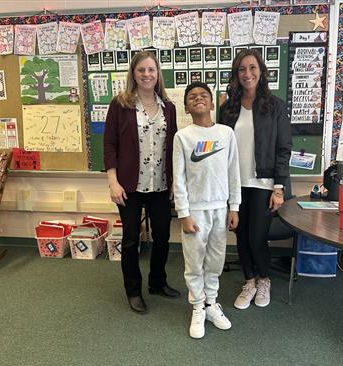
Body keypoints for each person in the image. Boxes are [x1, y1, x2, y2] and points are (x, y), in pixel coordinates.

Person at [104, 51, 180, 315]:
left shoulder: (168, 107)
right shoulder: (120, 104)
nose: (147, 75)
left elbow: (174, 147)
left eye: (151, 70)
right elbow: (110, 145)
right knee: (129, 240)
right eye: (141, 70)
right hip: (129, 186)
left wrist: (174, 181)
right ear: (133, 74)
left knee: (162, 237)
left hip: (160, 184)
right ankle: (133, 291)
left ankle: (157, 282)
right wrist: (113, 182)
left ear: (158, 74)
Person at [219, 49, 291, 310]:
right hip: (235, 183)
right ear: (236, 75)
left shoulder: (275, 106)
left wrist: (279, 188)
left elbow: (284, 147)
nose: (247, 74)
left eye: (252, 68)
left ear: (261, 72)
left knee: (256, 236)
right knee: (240, 235)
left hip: (263, 183)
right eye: (241, 69)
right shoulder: (227, 109)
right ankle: (249, 281)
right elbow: (220, 148)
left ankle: (264, 279)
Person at [173, 82, 241, 338]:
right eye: (192, 97)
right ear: (187, 106)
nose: (198, 99)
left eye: (203, 95)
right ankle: (197, 306)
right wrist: (184, 213)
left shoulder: (226, 134)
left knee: (215, 261)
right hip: (195, 211)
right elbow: (178, 179)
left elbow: (234, 173)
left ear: (213, 103)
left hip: (220, 210)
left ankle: (211, 303)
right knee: (194, 263)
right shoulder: (183, 137)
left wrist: (234, 207)